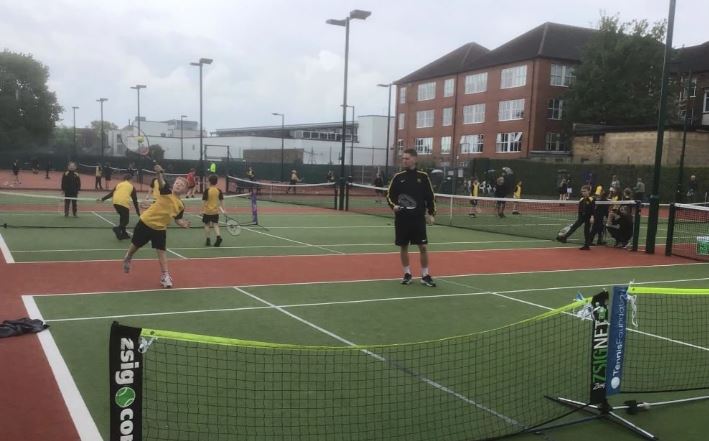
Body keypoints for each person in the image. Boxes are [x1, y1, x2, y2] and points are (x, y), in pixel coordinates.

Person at [122, 165, 191, 288]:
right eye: (177, 183)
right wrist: (158, 173)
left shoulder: (181, 205)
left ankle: (165, 276)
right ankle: (128, 257)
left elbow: (178, 218)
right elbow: (161, 181)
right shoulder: (166, 192)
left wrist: (183, 223)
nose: (178, 185)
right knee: (136, 246)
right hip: (146, 222)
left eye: (182, 185)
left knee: (162, 251)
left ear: (185, 191)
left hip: (160, 229)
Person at [386, 148, 436, 287]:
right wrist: (393, 206)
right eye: (403, 158)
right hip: (402, 218)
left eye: (407, 158)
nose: (404, 161)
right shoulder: (398, 177)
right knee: (403, 246)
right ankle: (407, 274)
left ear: (414, 159)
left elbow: (430, 197)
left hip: (418, 219)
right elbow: (389, 195)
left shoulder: (423, 177)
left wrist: (431, 213)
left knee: (423, 247)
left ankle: (425, 275)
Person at [98, 174, 140, 240]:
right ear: (130, 179)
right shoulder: (132, 187)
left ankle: (123, 234)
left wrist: (103, 199)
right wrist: (137, 211)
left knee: (123, 217)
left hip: (115, 202)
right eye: (132, 179)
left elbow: (111, 194)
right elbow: (135, 200)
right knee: (126, 221)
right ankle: (117, 228)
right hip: (123, 203)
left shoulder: (119, 184)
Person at [556, 184, 595, 250]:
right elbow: (580, 209)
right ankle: (564, 238)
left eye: (585, 191)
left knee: (586, 231)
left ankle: (587, 245)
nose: (583, 192)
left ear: (589, 191)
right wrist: (579, 216)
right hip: (582, 217)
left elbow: (593, 209)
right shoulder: (581, 199)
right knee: (574, 226)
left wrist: (592, 217)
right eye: (582, 191)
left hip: (588, 217)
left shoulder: (591, 199)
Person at [202, 174, 226, 247]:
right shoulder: (219, 190)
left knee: (207, 225)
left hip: (207, 211)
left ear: (209, 181)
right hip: (215, 211)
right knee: (216, 225)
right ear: (216, 182)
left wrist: (202, 210)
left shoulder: (207, 190)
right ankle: (218, 236)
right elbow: (221, 201)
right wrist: (224, 210)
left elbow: (204, 202)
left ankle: (208, 240)